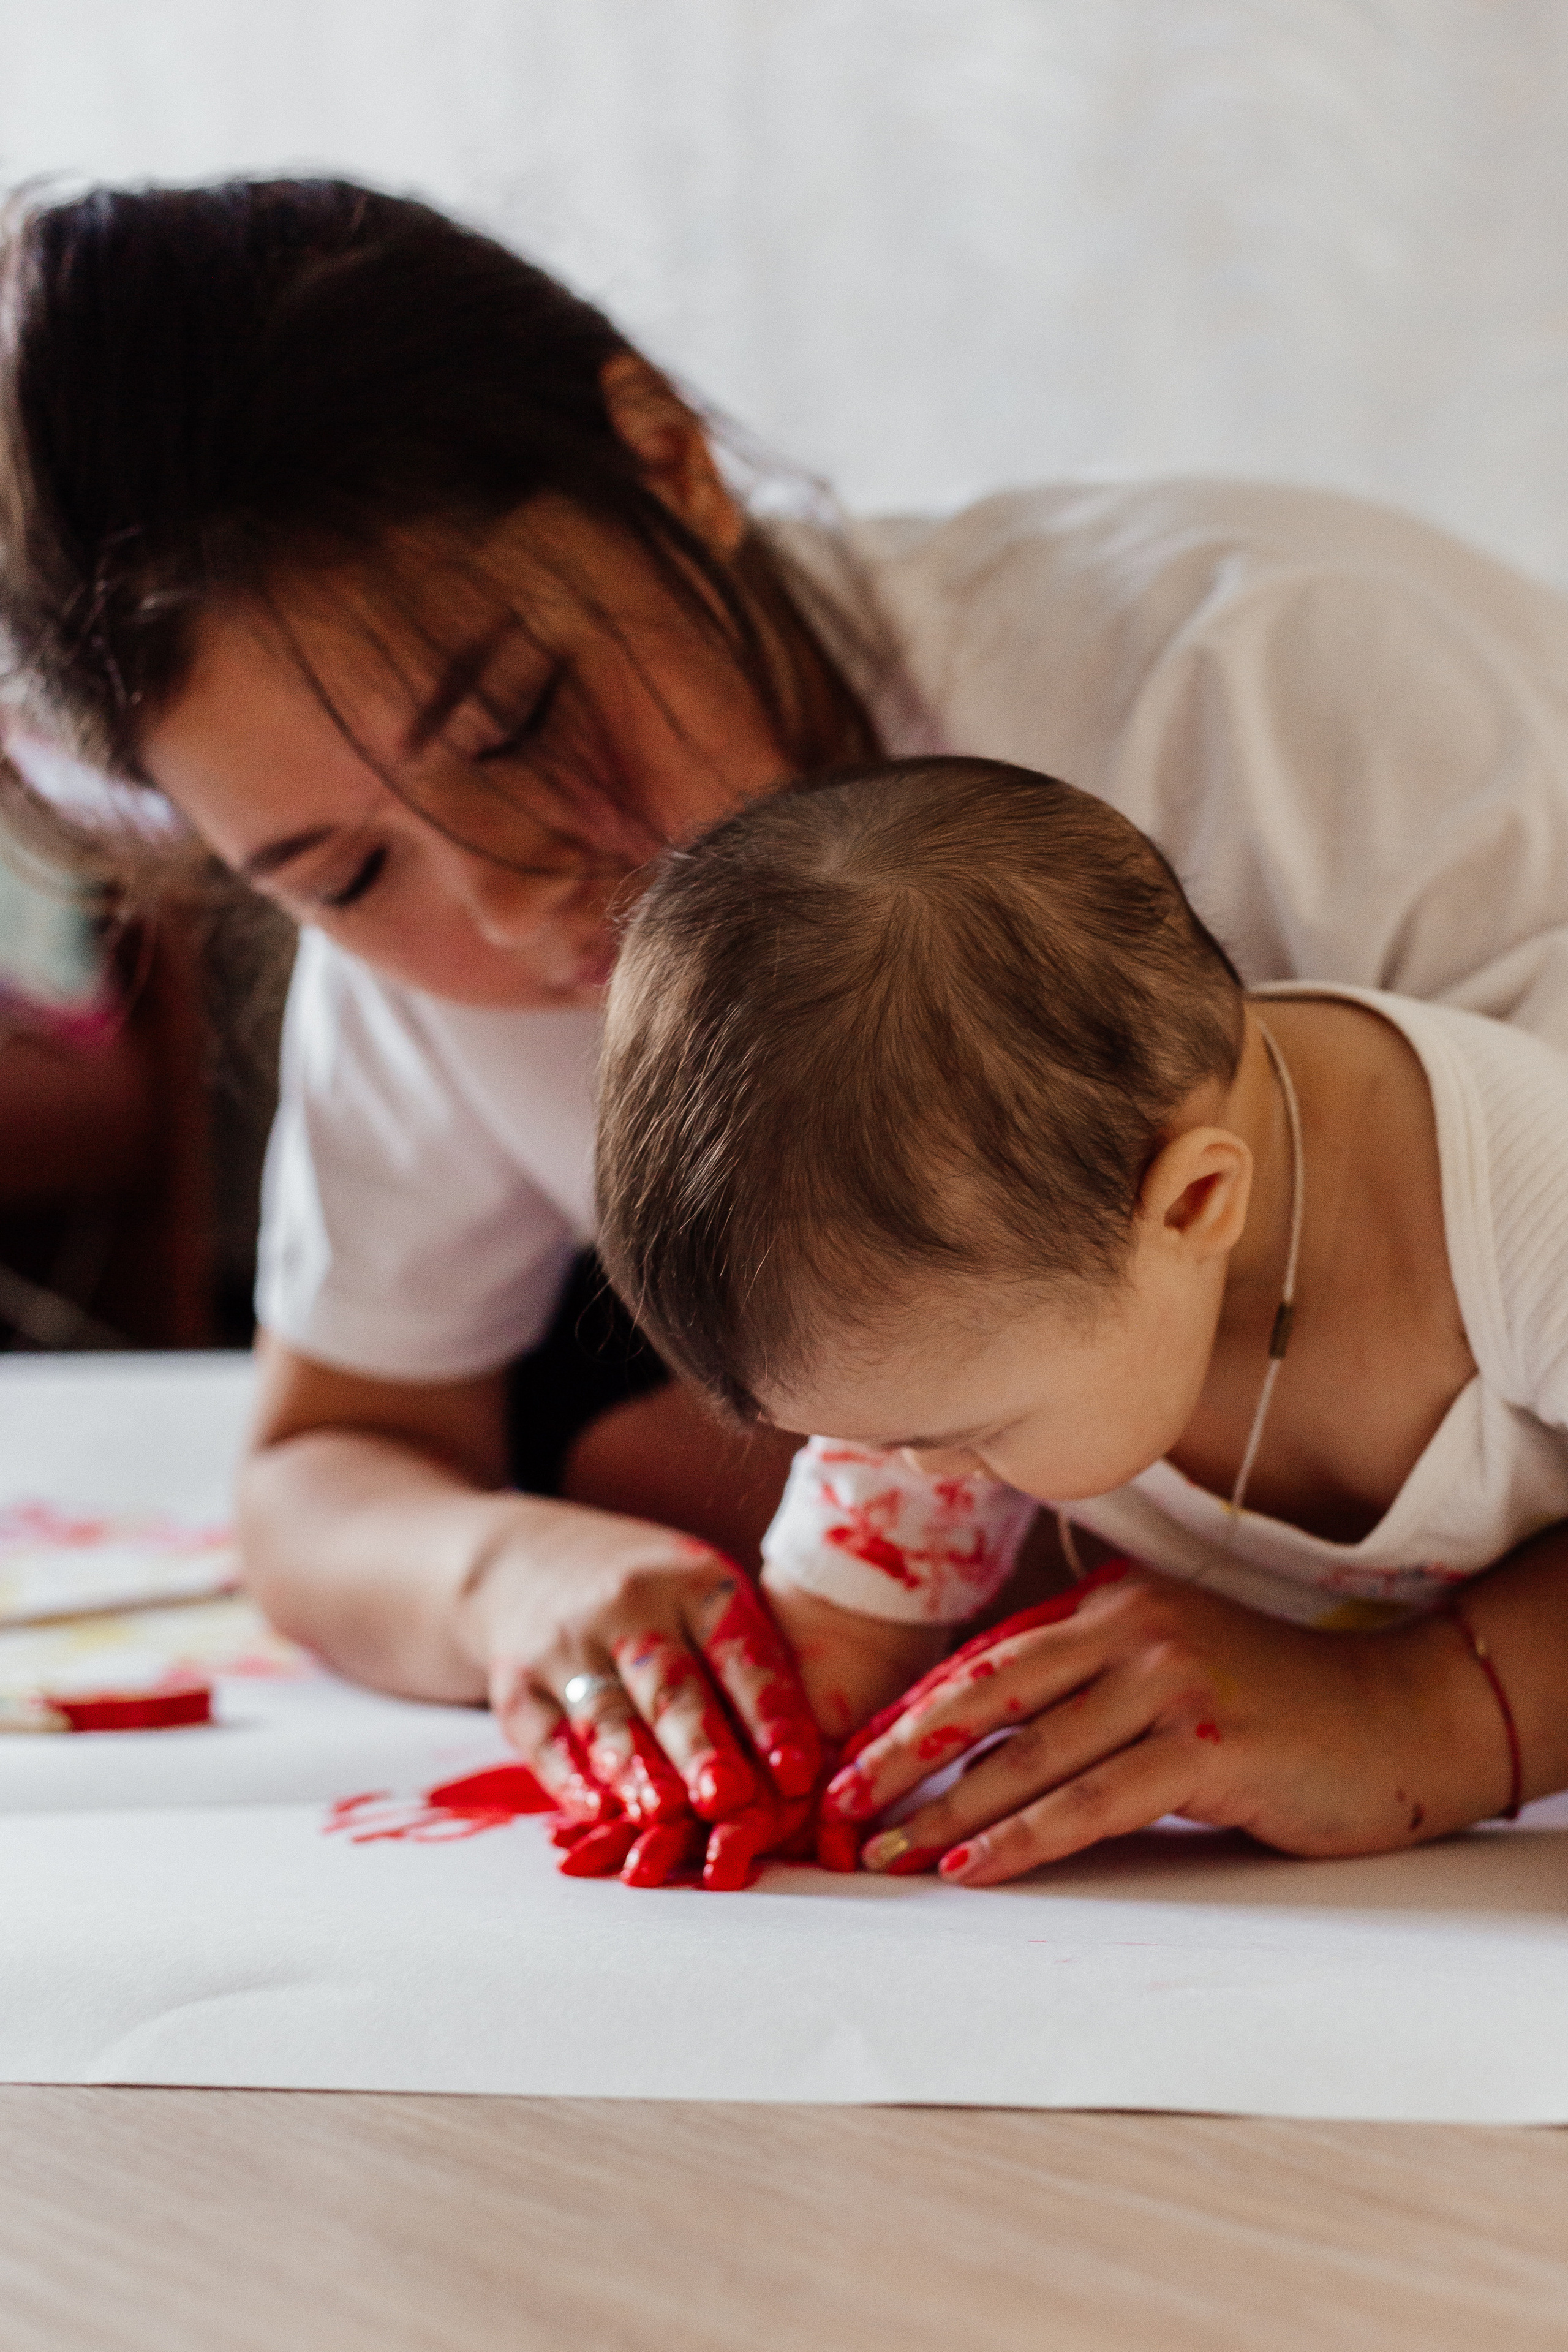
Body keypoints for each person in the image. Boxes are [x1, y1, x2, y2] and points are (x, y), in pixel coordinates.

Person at [7, 178, 1568, 1883]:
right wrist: (518, 1580)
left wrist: (1442, 1710)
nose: (516, 903)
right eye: (342, 870)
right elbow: (323, 1465)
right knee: (654, 1455)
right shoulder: (413, 983)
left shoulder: (1270, 687)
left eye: (519, 718)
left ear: (665, 453)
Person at [596, 756, 1568, 1884]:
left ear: (1195, 1202)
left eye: (960, 1435)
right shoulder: (989, 1252)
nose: (901, 1471)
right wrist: (772, 1764)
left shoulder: (1525, 1200)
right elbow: (852, 1622)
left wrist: (1441, 1719)